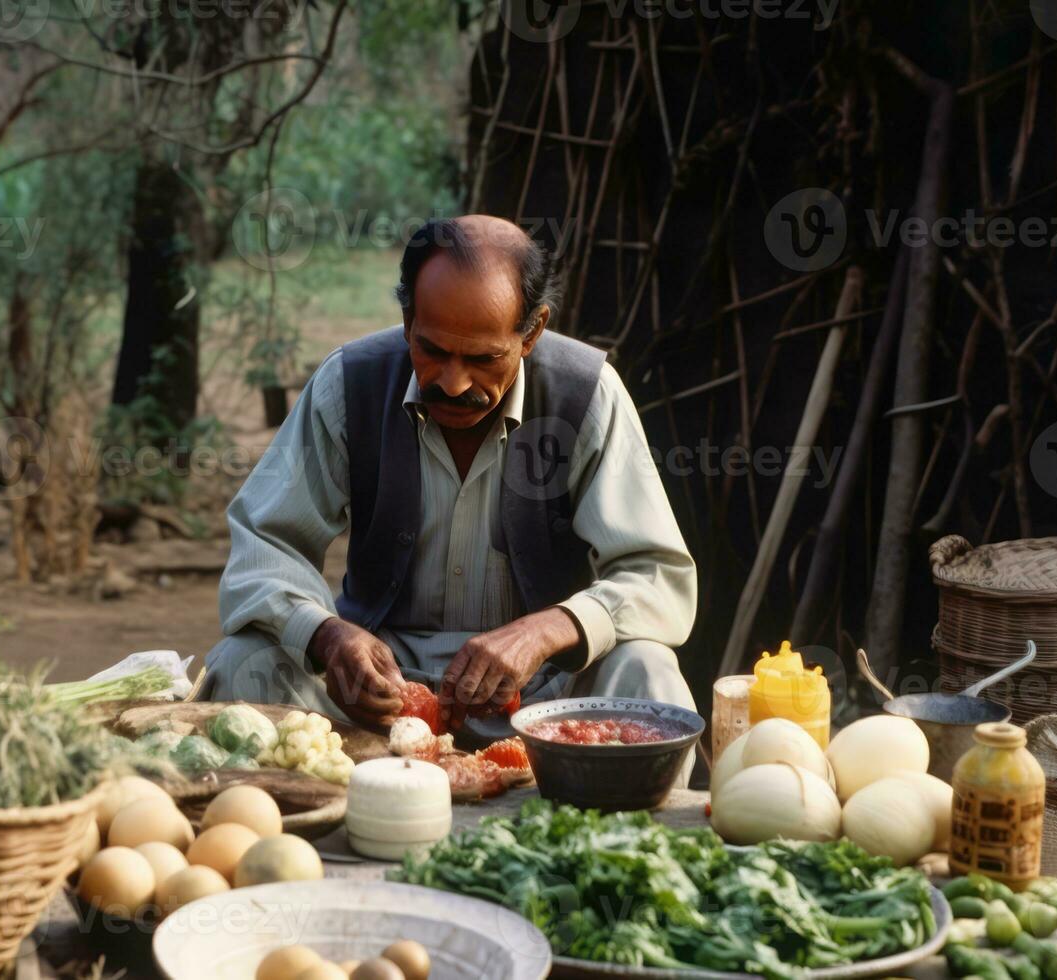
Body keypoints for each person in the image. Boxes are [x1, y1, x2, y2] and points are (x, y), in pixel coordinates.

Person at [200, 215, 697, 740]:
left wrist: (549, 629)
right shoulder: (350, 385)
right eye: (432, 351)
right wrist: (326, 636)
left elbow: (658, 575)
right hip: (370, 696)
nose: (455, 384)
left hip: (547, 698)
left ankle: (641, 823)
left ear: (532, 333)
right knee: (243, 661)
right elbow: (263, 542)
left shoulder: (587, 394)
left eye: (484, 359)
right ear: (408, 318)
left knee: (647, 670)